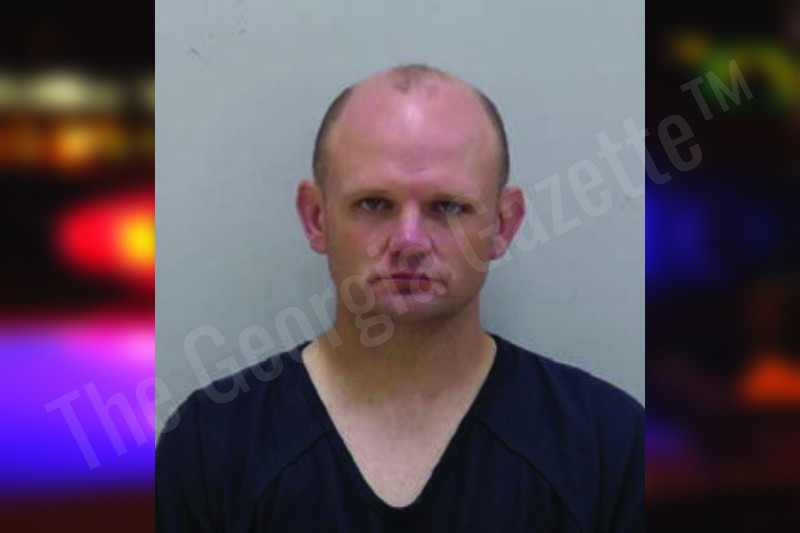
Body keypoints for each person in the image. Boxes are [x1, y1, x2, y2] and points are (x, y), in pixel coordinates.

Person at [156, 64, 643, 532]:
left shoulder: (608, 448)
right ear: (316, 217)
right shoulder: (209, 446)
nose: (409, 241)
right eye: (374, 204)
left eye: (447, 206)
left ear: (503, 224)